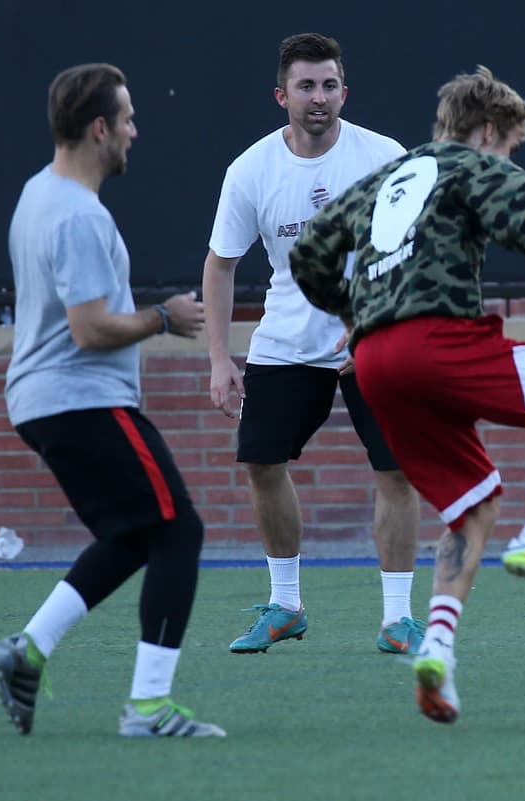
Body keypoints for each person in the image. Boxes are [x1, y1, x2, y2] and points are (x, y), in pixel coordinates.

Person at [289, 65, 525, 724]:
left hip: (373, 361)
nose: (513, 159)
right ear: (489, 131)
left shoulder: (382, 179)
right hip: (441, 343)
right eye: (511, 145)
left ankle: (438, 648)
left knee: (473, 505)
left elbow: (310, 250)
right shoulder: (476, 166)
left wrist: (355, 312)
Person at [0, 63, 225, 738]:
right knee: (180, 530)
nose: (134, 132)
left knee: (134, 535)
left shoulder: (38, 193)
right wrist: (165, 317)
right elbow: (89, 329)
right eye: (126, 119)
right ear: (99, 129)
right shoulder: (76, 216)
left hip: (47, 400)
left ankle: (26, 649)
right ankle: (148, 707)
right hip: (79, 398)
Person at [202, 33, 425, 656]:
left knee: (396, 470)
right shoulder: (250, 170)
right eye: (306, 86)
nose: (319, 97)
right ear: (282, 96)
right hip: (287, 339)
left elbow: (411, 254)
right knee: (260, 464)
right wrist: (221, 359)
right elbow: (220, 265)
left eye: (329, 85)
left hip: (375, 340)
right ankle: (286, 605)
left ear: (344, 92)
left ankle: (398, 619)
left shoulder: (384, 157)